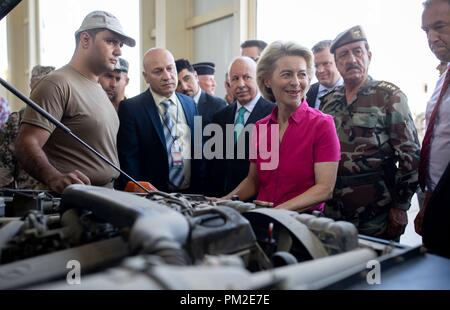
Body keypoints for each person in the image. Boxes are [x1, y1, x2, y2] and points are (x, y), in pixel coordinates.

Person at [15, 11, 135, 193]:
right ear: (85, 40)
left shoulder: (99, 89)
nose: (118, 51)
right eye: (111, 41)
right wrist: (53, 176)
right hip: (74, 202)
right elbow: (26, 143)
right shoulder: (57, 84)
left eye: (120, 45)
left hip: (106, 197)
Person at [321, 25, 420, 240]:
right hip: (333, 214)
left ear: (369, 56)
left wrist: (400, 206)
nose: (352, 59)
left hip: (377, 215)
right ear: (337, 63)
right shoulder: (327, 103)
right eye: (344, 54)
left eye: (358, 51)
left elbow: (410, 157)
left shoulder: (388, 96)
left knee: (375, 271)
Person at [224, 41, 340, 212]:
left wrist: (276, 213)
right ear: (267, 80)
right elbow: (253, 181)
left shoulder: (322, 124)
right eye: (286, 74)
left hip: (300, 226)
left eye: (301, 74)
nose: (296, 82)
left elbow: (324, 189)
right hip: (263, 223)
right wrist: (223, 202)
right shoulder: (262, 127)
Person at [117, 48, 200, 193]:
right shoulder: (131, 109)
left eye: (170, 69)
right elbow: (129, 161)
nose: (167, 76)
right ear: (146, 76)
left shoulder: (190, 104)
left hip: (191, 194)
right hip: (152, 198)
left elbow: (199, 150)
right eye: (158, 71)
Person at [205, 56, 275, 198]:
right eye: (235, 78)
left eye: (247, 77)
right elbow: (213, 166)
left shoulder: (274, 114)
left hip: (258, 201)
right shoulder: (220, 117)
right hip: (221, 200)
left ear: (258, 79)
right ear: (229, 83)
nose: (241, 84)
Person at [414, 0, 450, 258]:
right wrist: (428, 200)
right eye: (426, 30)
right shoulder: (443, 78)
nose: (431, 38)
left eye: (439, 27)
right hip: (437, 202)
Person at [0, 65, 55, 189]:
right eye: (35, 90)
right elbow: (4, 169)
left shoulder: (68, 120)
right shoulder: (16, 119)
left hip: (61, 193)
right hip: (27, 196)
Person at [175, 58, 226, 126]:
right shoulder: (173, 108)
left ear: (196, 76)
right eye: (178, 83)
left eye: (187, 79)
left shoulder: (217, 105)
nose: (184, 87)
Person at [306, 40, 343, 109]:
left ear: (338, 62)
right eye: (316, 66)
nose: (320, 70)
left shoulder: (353, 91)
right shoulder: (306, 93)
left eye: (326, 64)